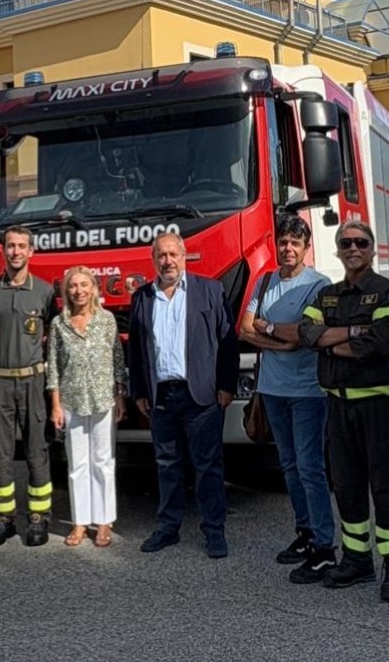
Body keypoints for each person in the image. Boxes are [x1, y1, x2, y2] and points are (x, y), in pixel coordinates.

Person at [274, 220, 389, 601]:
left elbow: (382, 340)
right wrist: (355, 332)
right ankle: (357, 559)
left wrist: (331, 342)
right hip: (338, 405)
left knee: (386, 486)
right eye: (346, 243)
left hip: (379, 407)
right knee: (347, 486)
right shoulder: (328, 296)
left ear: (372, 249)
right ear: (337, 250)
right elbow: (306, 333)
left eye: (361, 242)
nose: (353, 248)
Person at [128, 232, 239, 559]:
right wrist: (139, 391)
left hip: (201, 395)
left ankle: (214, 530)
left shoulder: (210, 290)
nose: (168, 261)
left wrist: (227, 385)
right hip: (161, 396)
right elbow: (136, 349)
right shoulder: (143, 297)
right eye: (161, 256)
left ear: (184, 255)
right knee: (167, 465)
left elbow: (228, 341)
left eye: (173, 254)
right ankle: (168, 527)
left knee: (208, 466)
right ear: (154, 260)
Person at [240, 214, 335, 583]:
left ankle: (324, 548)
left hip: (307, 392)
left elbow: (303, 334)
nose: (288, 248)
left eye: (295, 243)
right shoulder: (264, 281)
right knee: (290, 466)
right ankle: (305, 532)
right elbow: (244, 329)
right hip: (272, 390)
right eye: (283, 242)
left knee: (311, 468)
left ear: (306, 247)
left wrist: (268, 328)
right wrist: (278, 340)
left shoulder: (319, 285)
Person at [0, 225, 58, 548]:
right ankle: (3, 519)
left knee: (38, 450)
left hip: (33, 381)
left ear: (31, 251)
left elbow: (52, 335)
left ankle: (39, 518)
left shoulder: (44, 292)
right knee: (0, 453)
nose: (15, 251)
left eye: (21, 246)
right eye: (10, 246)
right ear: (3, 251)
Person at [46, 266, 127, 548]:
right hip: (72, 401)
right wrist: (56, 405)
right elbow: (54, 367)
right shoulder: (59, 324)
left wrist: (120, 396)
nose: (78, 290)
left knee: (103, 462)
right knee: (77, 464)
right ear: (66, 291)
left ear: (93, 289)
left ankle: (104, 521)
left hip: (103, 399)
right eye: (73, 286)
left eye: (84, 285)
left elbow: (117, 360)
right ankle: (80, 522)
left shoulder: (107, 320)